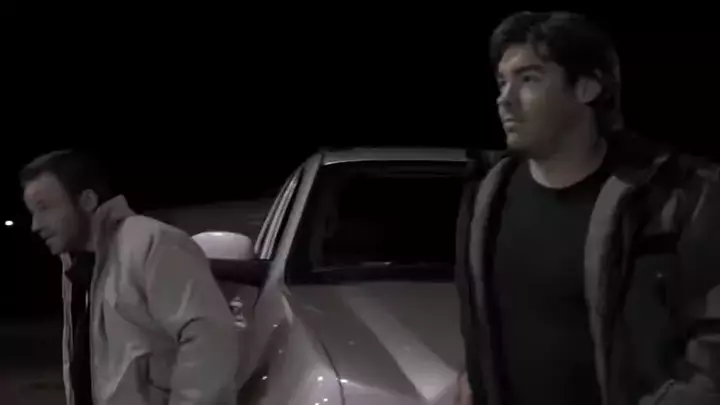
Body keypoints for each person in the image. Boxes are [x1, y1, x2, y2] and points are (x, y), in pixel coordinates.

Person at [455, 11, 720, 405]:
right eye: (502, 82)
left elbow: (713, 348)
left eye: (529, 79)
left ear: (587, 87)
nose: (505, 99)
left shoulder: (677, 196)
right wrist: (474, 374)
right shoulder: (486, 198)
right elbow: (486, 324)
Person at [20, 150, 240, 405]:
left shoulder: (152, 243)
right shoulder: (78, 267)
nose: (35, 225)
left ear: (87, 201)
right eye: (32, 212)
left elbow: (210, 339)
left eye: (44, 208)